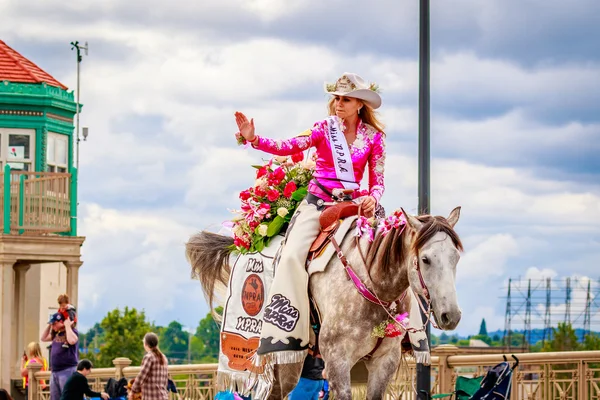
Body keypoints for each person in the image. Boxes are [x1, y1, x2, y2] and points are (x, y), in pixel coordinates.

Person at [235, 72, 386, 362]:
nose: (339, 104)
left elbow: (378, 180)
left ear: (360, 104)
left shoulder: (374, 138)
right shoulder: (323, 129)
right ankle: (290, 331)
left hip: (354, 208)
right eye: (337, 98)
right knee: (291, 257)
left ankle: (403, 331)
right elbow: (287, 147)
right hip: (317, 207)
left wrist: (373, 197)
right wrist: (253, 139)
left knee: (396, 253)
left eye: (346, 99)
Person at [40, 312, 79, 400]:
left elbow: (72, 341)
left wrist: (67, 326)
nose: (53, 325)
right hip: (55, 372)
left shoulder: (72, 332)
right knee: (55, 397)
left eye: (55, 323)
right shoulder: (55, 334)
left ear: (61, 321)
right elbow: (43, 338)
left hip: (67, 370)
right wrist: (50, 325)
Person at [129, 333, 169, 400]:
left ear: (146, 344)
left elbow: (142, 376)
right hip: (163, 396)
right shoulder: (164, 357)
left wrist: (133, 390)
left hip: (152, 397)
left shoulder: (149, 357)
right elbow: (165, 380)